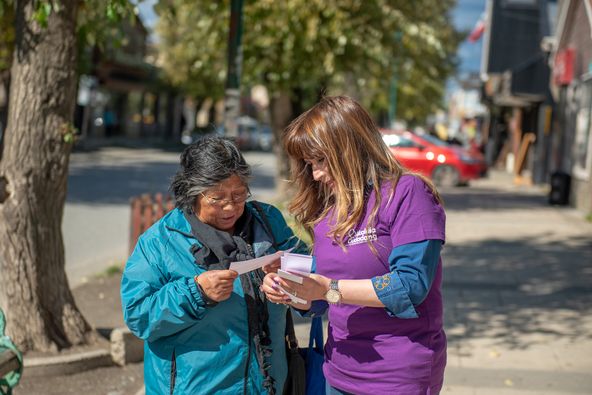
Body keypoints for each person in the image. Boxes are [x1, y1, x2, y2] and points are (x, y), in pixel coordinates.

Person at [262, 96, 447, 395]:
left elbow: (410, 285)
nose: (316, 174)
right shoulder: (329, 210)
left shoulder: (408, 193)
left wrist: (328, 288)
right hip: (338, 369)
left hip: (397, 374)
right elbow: (325, 296)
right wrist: (292, 288)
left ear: (348, 149)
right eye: (310, 164)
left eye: (321, 160)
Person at [121, 136, 306, 394]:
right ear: (192, 194)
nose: (230, 206)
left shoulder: (267, 222)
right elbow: (139, 315)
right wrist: (196, 292)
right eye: (217, 198)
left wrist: (291, 279)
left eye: (239, 194)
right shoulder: (160, 242)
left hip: (269, 385)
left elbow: (313, 277)